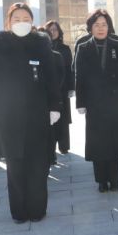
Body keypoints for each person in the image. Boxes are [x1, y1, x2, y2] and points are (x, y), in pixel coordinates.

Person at [0, 3, 61, 223]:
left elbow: (52, 78)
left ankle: (37, 210)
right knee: (15, 165)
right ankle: (19, 211)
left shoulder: (41, 44)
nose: (21, 22)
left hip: (37, 114)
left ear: (32, 22)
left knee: (38, 163)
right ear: (8, 22)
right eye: (16, 18)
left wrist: (55, 106)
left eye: (25, 18)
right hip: (8, 115)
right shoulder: (0, 44)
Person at [75, 10, 118, 192]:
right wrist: (81, 102)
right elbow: (79, 76)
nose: (101, 28)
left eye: (104, 24)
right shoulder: (83, 47)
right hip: (94, 103)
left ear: (108, 26)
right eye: (97, 25)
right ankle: (101, 180)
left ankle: (115, 180)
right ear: (90, 28)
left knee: (115, 142)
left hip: (115, 102)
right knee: (98, 143)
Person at [45, 20, 74, 157]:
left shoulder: (65, 49)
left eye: (55, 29)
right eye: (50, 30)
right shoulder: (42, 47)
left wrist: (71, 87)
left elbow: (70, 69)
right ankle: (51, 147)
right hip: (48, 88)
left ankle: (64, 146)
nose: (53, 32)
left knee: (63, 118)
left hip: (62, 88)